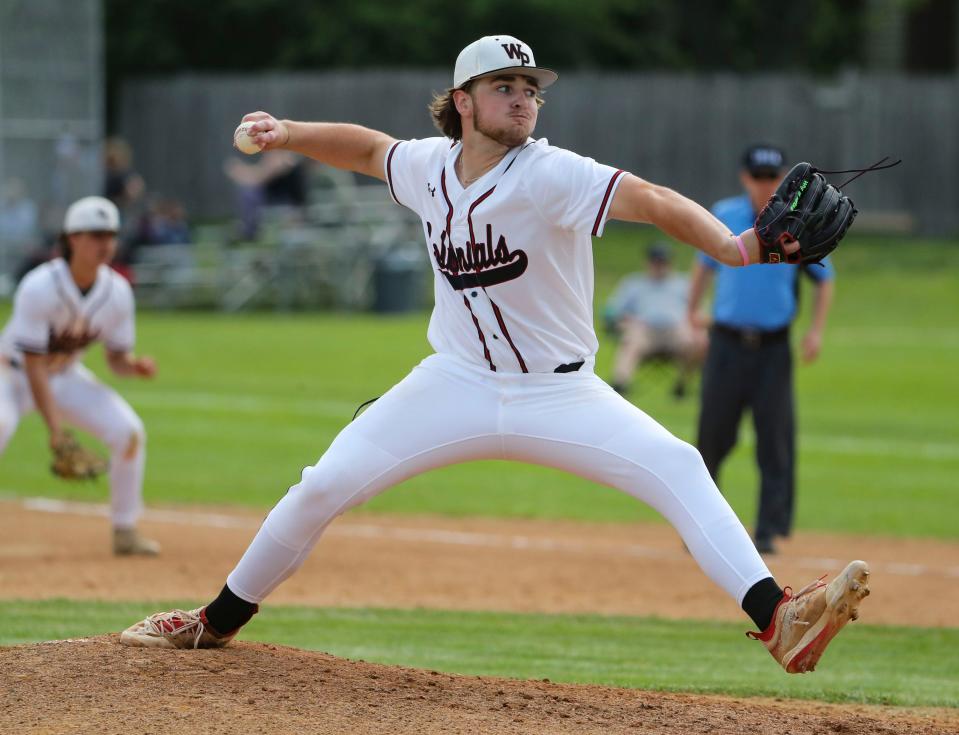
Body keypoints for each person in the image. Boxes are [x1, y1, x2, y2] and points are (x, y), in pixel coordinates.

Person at [120, 36, 868, 673]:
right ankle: (211, 620)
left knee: (676, 464)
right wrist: (287, 131)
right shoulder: (428, 167)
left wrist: (734, 247)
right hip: (454, 381)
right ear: (463, 100)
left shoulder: (551, 172)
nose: (521, 98)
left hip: (561, 394)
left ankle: (780, 619)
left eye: (530, 88)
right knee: (323, 484)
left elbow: (651, 197)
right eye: (503, 85)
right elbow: (367, 148)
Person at [687, 144, 836, 556]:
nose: (765, 185)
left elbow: (824, 281)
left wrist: (816, 332)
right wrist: (691, 311)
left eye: (772, 177)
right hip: (726, 343)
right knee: (712, 436)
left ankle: (768, 530)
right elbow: (703, 265)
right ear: (745, 178)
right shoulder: (726, 213)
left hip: (773, 348)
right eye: (758, 177)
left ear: (784, 178)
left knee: (775, 440)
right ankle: (699, 524)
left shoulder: (798, 223)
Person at [0, 196, 160, 556]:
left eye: (110, 235)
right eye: (94, 234)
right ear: (72, 238)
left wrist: (132, 366)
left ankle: (125, 529)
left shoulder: (117, 292)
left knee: (128, 431)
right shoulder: (40, 285)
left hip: (65, 375)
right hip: (9, 376)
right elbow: (33, 365)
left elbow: (115, 358)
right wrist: (56, 431)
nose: (105, 243)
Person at [606, 242, 705, 398]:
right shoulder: (633, 283)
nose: (659, 266)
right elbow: (611, 312)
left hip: (676, 330)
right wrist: (625, 321)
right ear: (648, 262)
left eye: (663, 262)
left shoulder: (683, 284)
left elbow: (697, 312)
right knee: (632, 339)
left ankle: (682, 384)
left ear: (671, 263)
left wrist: (693, 323)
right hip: (645, 330)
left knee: (698, 338)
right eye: (656, 262)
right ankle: (620, 384)